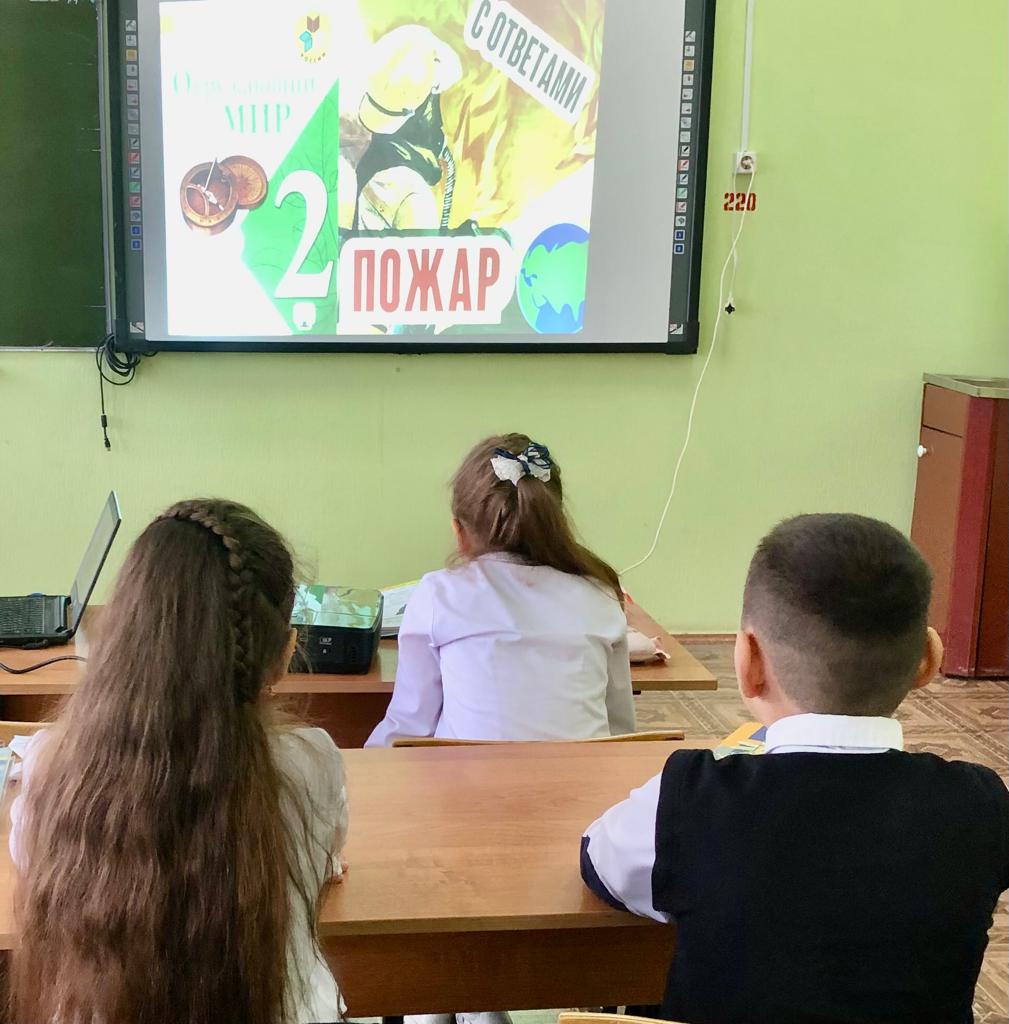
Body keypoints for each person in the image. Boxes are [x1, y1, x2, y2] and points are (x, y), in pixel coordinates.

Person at [581, 513, 1009, 1024]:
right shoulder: (982, 805)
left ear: (749, 661)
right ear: (929, 660)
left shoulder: (687, 798)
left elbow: (599, 862)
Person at [11, 499, 348, 1024]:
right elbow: (327, 861)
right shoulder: (312, 765)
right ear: (284, 654)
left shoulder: (48, 765)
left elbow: (27, 854)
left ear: (119, 636)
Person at [367, 433, 634, 747]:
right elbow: (621, 729)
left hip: (466, 780)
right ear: (552, 521)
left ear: (458, 531)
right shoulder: (600, 594)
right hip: (589, 778)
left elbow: (410, 725)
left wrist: (361, 766)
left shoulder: (438, 594)